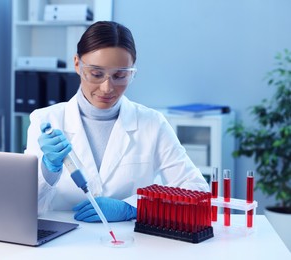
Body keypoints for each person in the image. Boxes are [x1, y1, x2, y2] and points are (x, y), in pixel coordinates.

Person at [25, 21, 209, 223]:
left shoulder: (152, 123)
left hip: (130, 243)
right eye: (96, 74)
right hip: (63, 245)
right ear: (77, 64)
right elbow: (25, 206)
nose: (107, 88)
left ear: (131, 72)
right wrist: (47, 170)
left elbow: (197, 191)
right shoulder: (46, 120)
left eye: (120, 76)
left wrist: (132, 208)